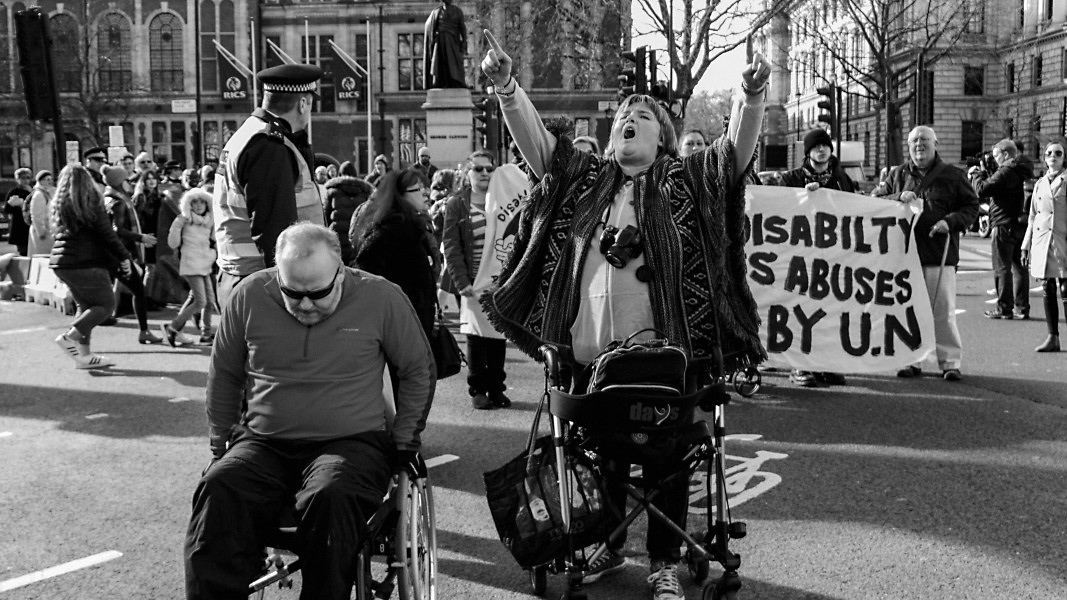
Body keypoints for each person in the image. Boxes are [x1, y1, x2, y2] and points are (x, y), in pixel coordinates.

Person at [479, 30, 768, 599]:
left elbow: (734, 155)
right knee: (603, 451)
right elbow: (538, 145)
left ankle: (662, 561)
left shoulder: (687, 180)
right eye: (623, 116)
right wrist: (506, 87)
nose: (628, 119)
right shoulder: (584, 180)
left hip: (672, 355)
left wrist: (751, 96)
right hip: (589, 354)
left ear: (662, 136)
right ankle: (609, 540)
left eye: (642, 115)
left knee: (666, 457)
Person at [183, 222, 435, 600]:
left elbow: (417, 368)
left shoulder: (380, 297)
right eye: (292, 292)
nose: (304, 304)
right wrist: (220, 444)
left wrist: (404, 442)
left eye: (317, 293)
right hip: (264, 442)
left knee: (331, 496)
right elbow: (224, 374)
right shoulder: (250, 294)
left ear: (340, 270)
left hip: (350, 442)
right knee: (219, 489)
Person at [213, 63, 325, 309]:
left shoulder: (249, 135)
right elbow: (277, 233)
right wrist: (295, 296)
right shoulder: (269, 146)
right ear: (303, 103)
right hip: (263, 284)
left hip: (241, 276)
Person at [875, 126, 978, 381]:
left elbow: (971, 206)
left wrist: (951, 222)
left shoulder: (953, 175)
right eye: (914, 141)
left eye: (924, 140)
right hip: (903, 256)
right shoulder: (897, 174)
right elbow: (876, 200)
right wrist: (899, 195)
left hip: (938, 254)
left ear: (935, 143)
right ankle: (913, 360)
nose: (919, 145)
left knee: (942, 311)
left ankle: (950, 362)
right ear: (908, 146)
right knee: (907, 311)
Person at [778, 128, 855, 388]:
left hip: (832, 256)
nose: (821, 150)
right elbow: (778, 213)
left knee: (829, 310)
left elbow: (854, 211)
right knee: (800, 311)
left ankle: (825, 363)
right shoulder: (791, 179)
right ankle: (799, 365)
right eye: (816, 146)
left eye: (825, 146)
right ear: (808, 152)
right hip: (799, 257)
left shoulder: (842, 178)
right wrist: (802, 198)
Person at [350, 169, 438, 393]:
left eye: (426, 188)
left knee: (414, 387)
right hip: (398, 328)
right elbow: (364, 273)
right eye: (418, 189)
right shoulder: (390, 229)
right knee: (405, 389)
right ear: (400, 195)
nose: (426, 194)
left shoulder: (415, 224)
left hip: (415, 321)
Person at [443, 151, 514, 410]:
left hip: (499, 281)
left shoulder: (503, 200)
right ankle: (478, 389)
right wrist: (461, 282)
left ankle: (496, 388)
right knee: (476, 337)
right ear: (468, 173)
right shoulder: (457, 205)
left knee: (497, 335)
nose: (485, 173)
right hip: (472, 280)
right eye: (479, 169)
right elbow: (451, 246)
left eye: (489, 169)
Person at [50, 165, 135, 369]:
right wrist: (124, 257)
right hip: (87, 262)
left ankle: (84, 356)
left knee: (87, 308)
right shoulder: (92, 202)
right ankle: (69, 338)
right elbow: (107, 234)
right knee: (105, 306)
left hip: (61, 262)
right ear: (88, 181)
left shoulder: (62, 204)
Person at [972, 139, 1034, 320]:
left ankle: (1004, 308)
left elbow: (982, 189)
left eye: (996, 155)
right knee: (1019, 268)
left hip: (1003, 224)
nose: (995, 159)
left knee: (1002, 268)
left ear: (1006, 154)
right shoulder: (1020, 170)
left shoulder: (1007, 170)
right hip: (1018, 224)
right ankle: (1022, 308)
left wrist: (978, 174)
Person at [102, 166, 163, 345]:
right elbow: (117, 229)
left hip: (117, 251)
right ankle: (143, 331)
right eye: (127, 180)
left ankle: (110, 314)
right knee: (138, 290)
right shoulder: (119, 202)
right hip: (123, 251)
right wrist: (141, 237)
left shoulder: (110, 198)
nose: (130, 183)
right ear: (119, 182)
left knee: (122, 285)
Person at [1021, 140, 1067, 352]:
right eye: (1049, 153)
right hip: (1042, 241)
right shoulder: (1039, 183)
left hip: (1062, 240)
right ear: (1044, 157)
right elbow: (1032, 217)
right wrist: (1025, 245)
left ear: (1064, 157)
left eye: (1058, 153)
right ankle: (1053, 337)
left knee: (1065, 286)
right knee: (1047, 286)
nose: (1053, 156)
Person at [163, 189, 217, 346]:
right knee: (201, 301)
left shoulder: (209, 219)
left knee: (209, 301)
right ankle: (173, 327)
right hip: (191, 264)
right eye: (194, 201)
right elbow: (173, 243)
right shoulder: (183, 219)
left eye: (202, 201)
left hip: (206, 263)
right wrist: (177, 226)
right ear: (189, 204)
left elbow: (214, 239)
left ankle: (205, 334)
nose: (199, 205)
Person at [324, 161, 375, 265]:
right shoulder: (364, 191)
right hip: (358, 238)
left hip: (337, 237)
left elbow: (326, 215)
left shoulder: (332, 191)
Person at [423, 0, 467, 89]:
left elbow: (462, 28)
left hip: (452, 41)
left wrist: (464, 41)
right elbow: (429, 26)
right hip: (439, 42)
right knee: (440, 62)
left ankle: (456, 81)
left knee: (454, 62)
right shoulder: (436, 12)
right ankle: (440, 81)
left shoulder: (457, 11)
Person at [27, 170, 55, 256]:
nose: (50, 181)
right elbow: (36, 216)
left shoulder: (46, 193)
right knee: (41, 257)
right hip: (41, 233)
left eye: (51, 179)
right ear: (41, 181)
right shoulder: (39, 194)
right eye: (47, 179)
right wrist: (41, 232)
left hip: (47, 231)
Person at [5, 168, 33, 256]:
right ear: (17, 179)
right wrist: (19, 206)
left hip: (32, 225)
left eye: (28, 178)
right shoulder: (14, 192)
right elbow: (7, 209)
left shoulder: (33, 190)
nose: (25, 180)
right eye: (23, 178)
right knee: (24, 252)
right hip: (20, 226)